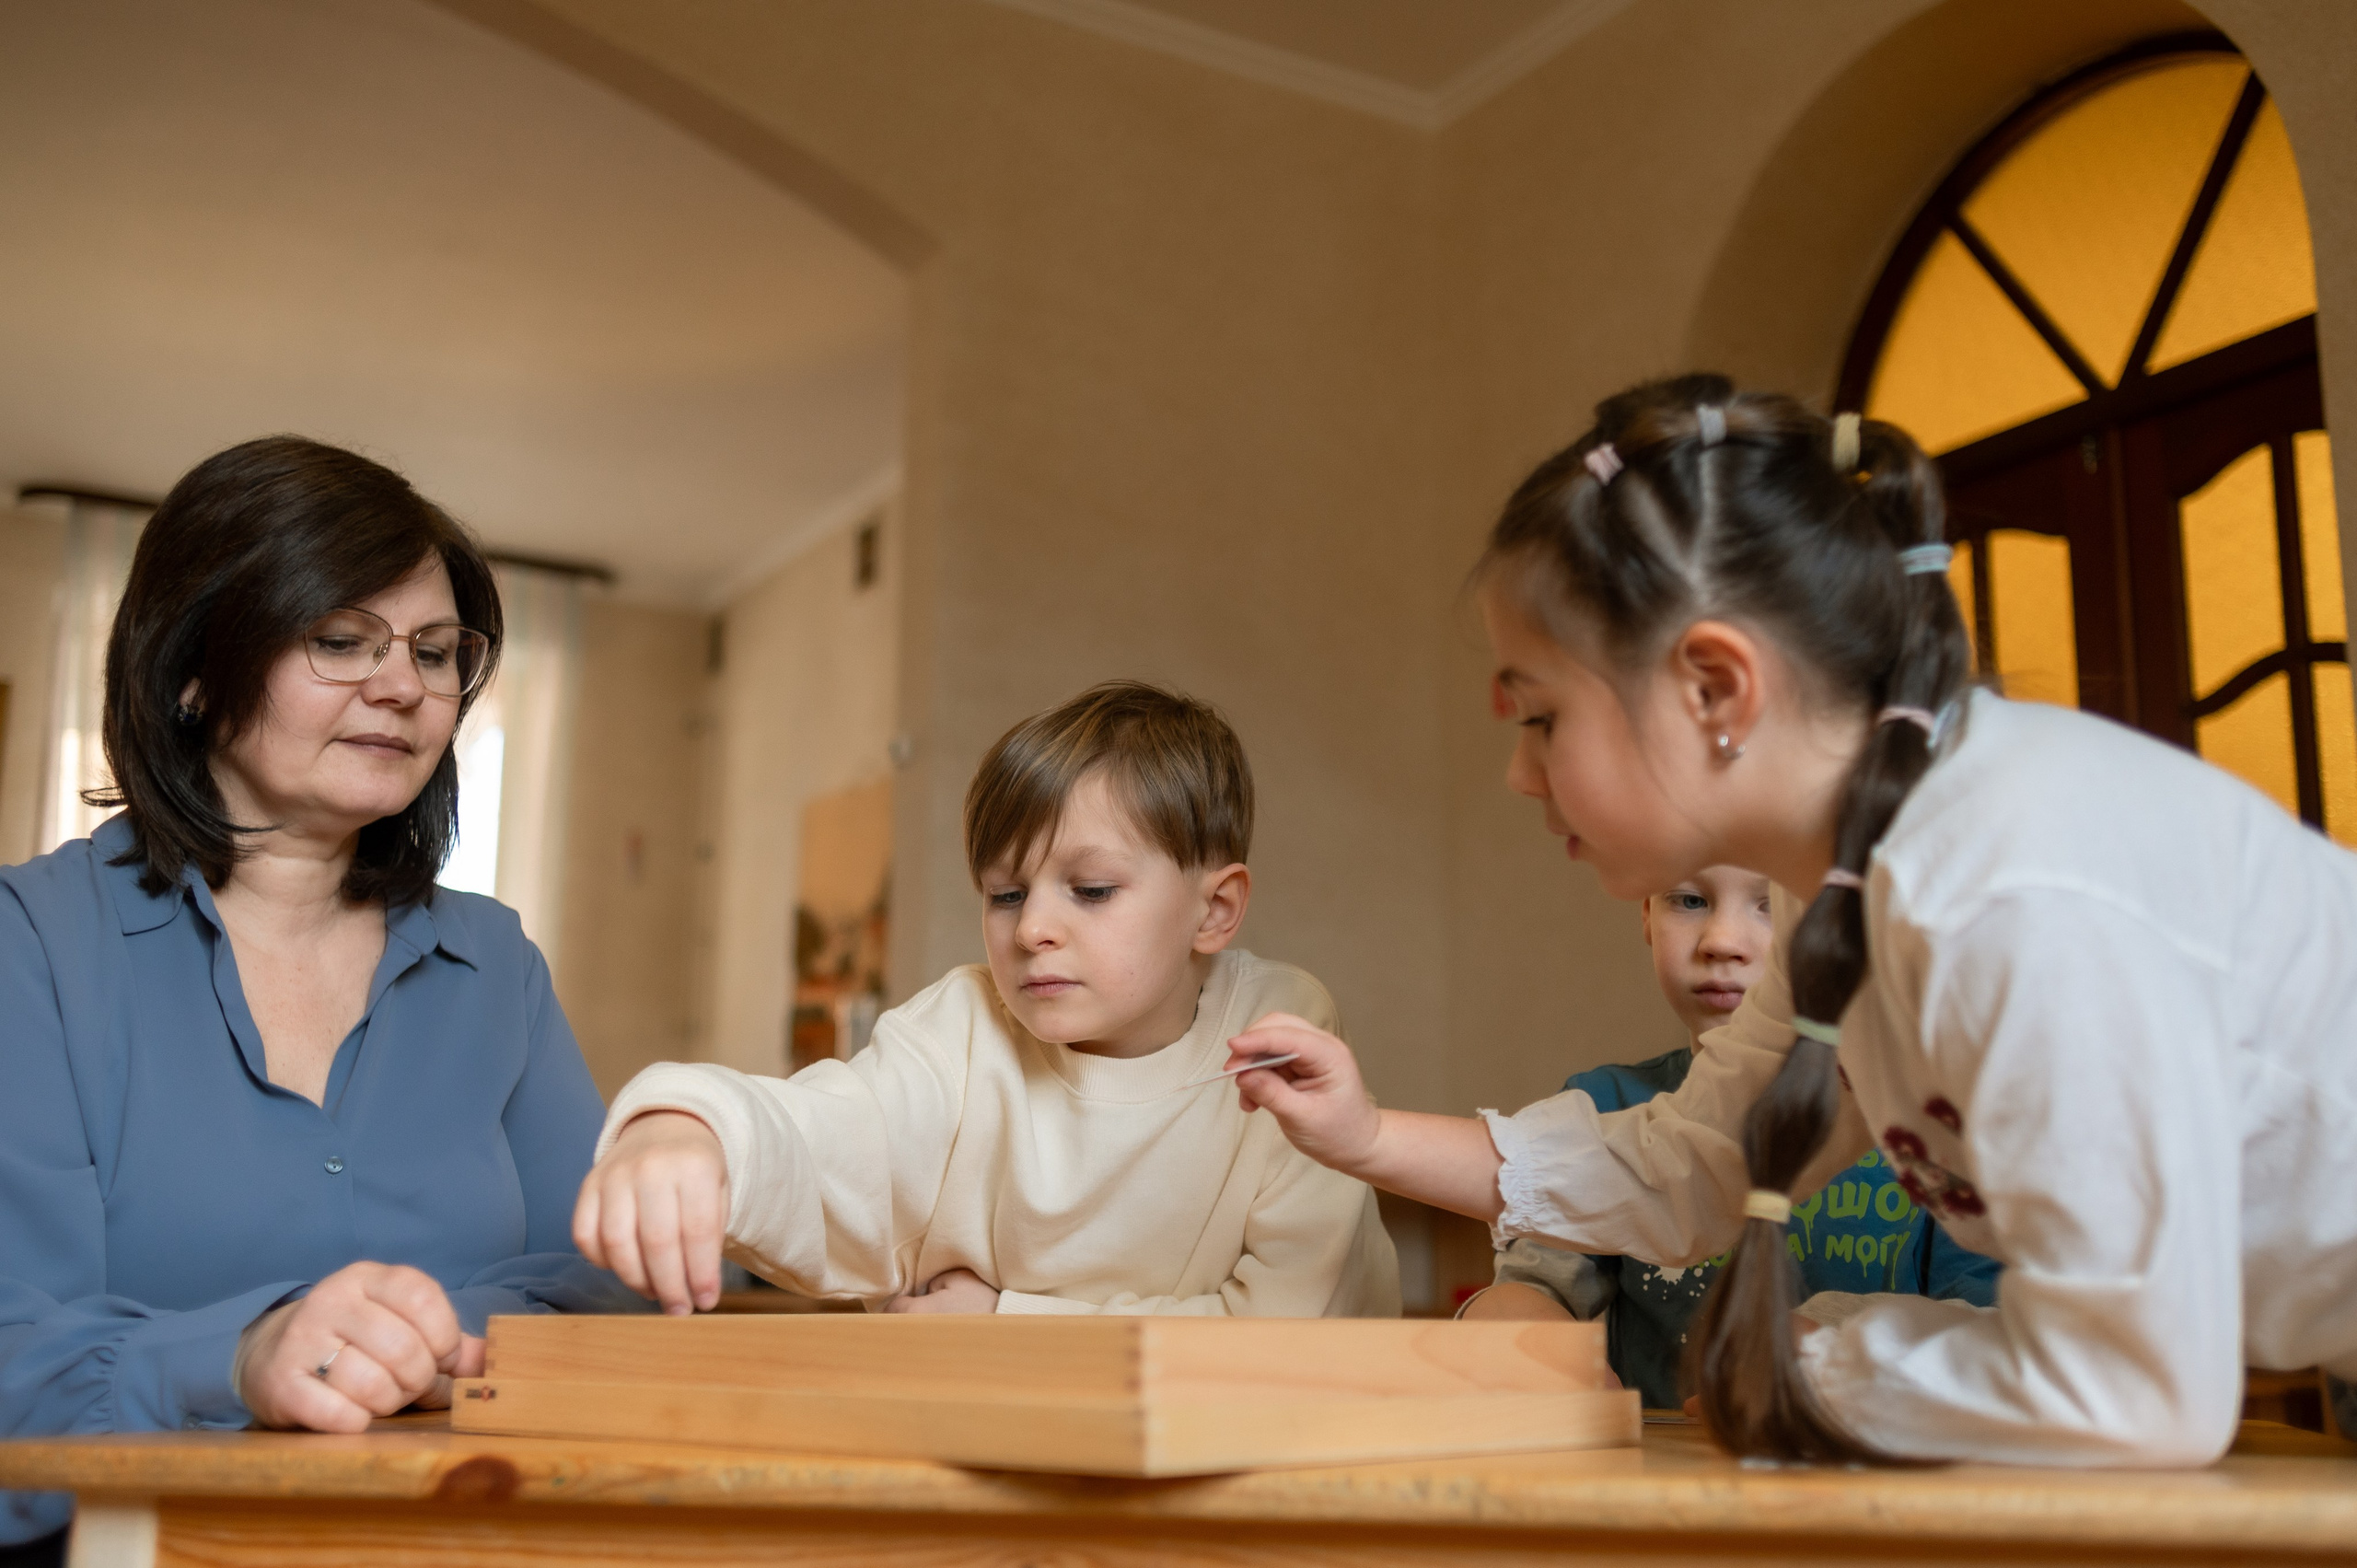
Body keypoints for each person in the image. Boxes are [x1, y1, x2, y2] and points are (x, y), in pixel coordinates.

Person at [1225, 374, 2357, 1467]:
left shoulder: (2008, 896)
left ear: (1715, 687)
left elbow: (2132, 1394)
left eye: (1540, 716)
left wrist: (1818, 1361)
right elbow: (1695, 1160)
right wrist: (1368, 1137)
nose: (1522, 776)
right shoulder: (1868, 884)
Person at [0, 437, 633, 1558]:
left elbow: (607, 1291)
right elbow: (14, 1355)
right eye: (341, 638)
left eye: (436, 652)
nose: (404, 685)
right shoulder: (33, 944)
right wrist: (245, 1356)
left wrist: (430, 1338)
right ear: (193, 667)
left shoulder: (497, 963)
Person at [577, 680, 1397, 1318]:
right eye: (1005, 894)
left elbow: (1285, 1333)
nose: (1034, 925)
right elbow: (828, 1132)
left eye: (1092, 889)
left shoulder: (1280, 1029)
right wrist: (689, 1126)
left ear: (1213, 911)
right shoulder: (964, 1030)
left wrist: (1006, 1317)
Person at [1462, 866, 1999, 1411]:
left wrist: (1828, 1333)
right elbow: (1531, 1290)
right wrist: (1519, 1327)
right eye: (1689, 900)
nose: (1721, 942)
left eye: (1770, 905)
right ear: (1646, 913)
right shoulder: (1605, 1104)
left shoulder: (1927, 1120)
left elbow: (1994, 1326)